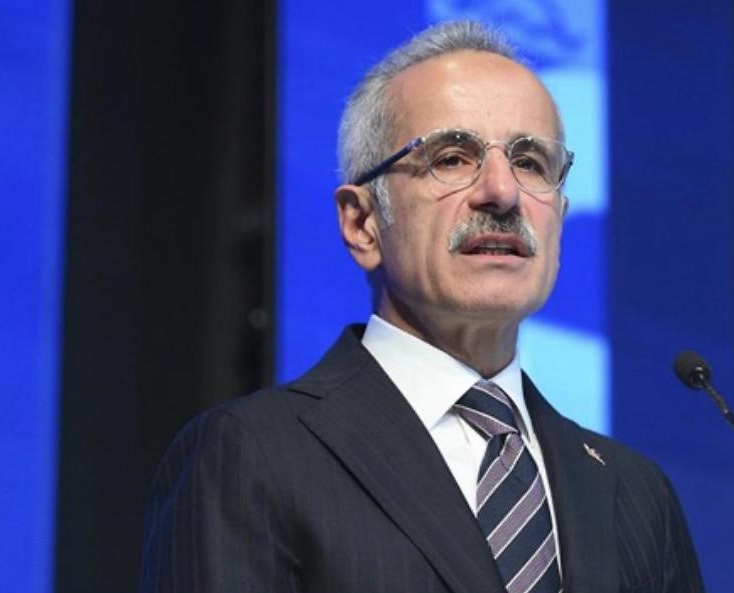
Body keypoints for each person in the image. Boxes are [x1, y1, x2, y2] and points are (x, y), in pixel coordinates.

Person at [139, 20, 704, 593]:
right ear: (362, 223)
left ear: (559, 219)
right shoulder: (253, 455)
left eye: (531, 162)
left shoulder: (636, 494)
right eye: (453, 157)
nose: (502, 192)